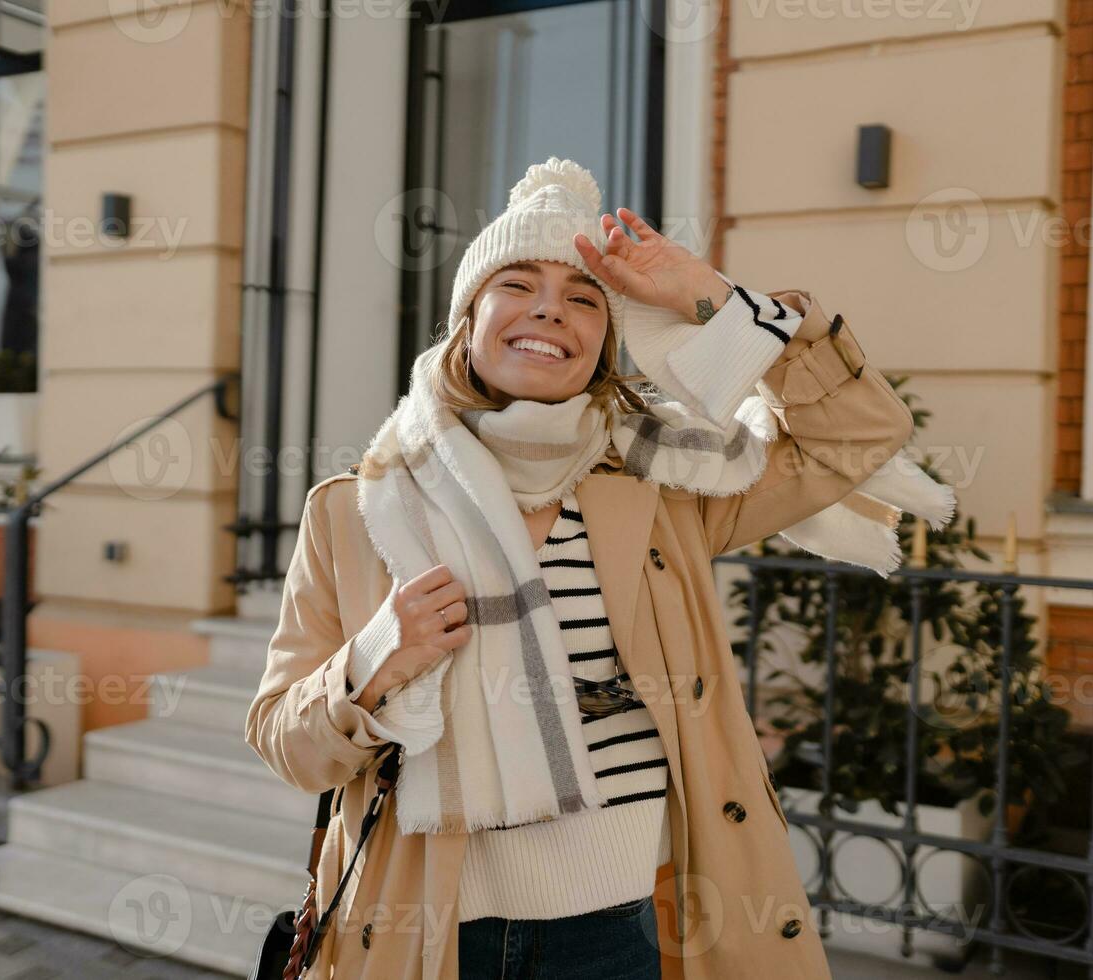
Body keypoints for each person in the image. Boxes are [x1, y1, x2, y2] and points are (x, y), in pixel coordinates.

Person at [245, 157, 954, 980]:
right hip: (427, 938)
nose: (551, 308)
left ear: (603, 344)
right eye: (517, 283)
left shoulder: (669, 489)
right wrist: (371, 664)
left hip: (617, 934)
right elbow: (287, 746)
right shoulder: (355, 510)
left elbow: (857, 434)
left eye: (584, 297)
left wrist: (710, 298)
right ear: (467, 322)